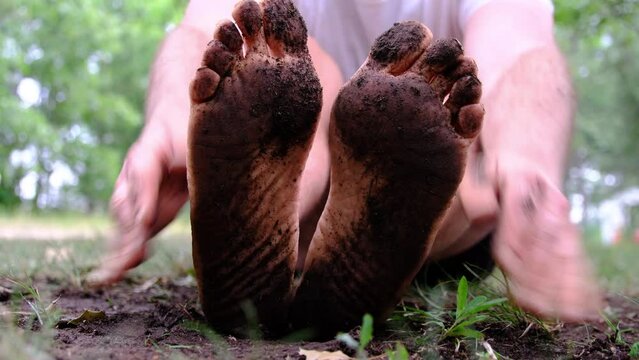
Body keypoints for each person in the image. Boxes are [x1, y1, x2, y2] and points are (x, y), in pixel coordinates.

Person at [88, 0, 602, 321]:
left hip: (452, 195)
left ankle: (323, 227)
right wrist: (171, 122)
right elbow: (206, 25)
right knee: (293, 59)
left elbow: (516, 50)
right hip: (337, 176)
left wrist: (525, 161)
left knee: (462, 121)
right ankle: (310, 219)